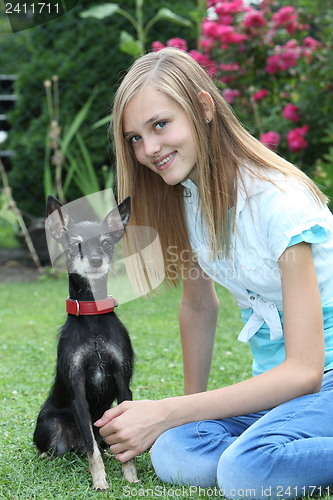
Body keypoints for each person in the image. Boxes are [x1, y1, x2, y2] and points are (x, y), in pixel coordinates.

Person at [94, 48, 333, 499]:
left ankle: (263, 453)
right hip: (278, 385)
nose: (149, 150)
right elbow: (199, 304)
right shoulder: (189, 198)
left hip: (321, 376)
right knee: (175, 453)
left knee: (246, 473)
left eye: (160, 125)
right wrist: (184, 417)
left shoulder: (280, 203)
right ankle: (271, 448)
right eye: (134, 138)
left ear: (204, 108)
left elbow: (306, 372)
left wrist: (168, 409)